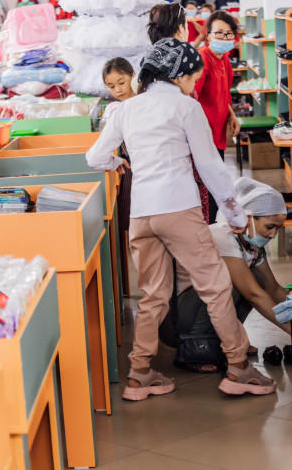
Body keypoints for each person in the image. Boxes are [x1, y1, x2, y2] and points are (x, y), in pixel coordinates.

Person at [96, 38, 277, 401]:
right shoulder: (186, 106)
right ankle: (239, 367)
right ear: (179, 76)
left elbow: (95, 157)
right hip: (178, 207)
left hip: (142, 214)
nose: (194, 85)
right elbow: (210, 166)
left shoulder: (126, 109)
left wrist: (118, 162)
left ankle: (139, 373)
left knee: (153, 295)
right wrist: (235, 213)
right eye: (194, 78)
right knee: (216, 287)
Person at [159, 177, 292, 373]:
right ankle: (196, 349)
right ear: (248, 218)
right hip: (175, 320)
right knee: (237, 284)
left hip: (193, 308)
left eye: (278, 228)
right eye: (270, 227)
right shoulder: (223, 236)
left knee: (256, 280)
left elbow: (273, 289)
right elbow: (253, 294)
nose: (273, 235)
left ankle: (222, 341)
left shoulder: (251, 244)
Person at [142, 2, 211, 224]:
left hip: (154, 166)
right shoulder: (184, 64)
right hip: (185, 162)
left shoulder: (147, 63)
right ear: (181, 29)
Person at [87, 58, 136, 293]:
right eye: (111, 86)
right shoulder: (125, 107)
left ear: (133, 76)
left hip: (138, 177)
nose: (117, 90)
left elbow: (95, 157)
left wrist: (116, 161)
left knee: (140, 236)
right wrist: (117, 160)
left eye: (121, 82)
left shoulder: (121, 110)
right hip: (150, 176)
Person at [194, 10, 241, 223]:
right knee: (208, 189)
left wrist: (232, 116)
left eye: (228, 33)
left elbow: (225, 95)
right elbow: (192, 96)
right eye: (219, 32)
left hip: (218, 133)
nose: (224, 37)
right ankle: (208, 232)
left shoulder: (225, 61)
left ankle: (212, 230)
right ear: (208, 34)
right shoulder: (203, 58)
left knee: (216, 188)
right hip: (204, 135)